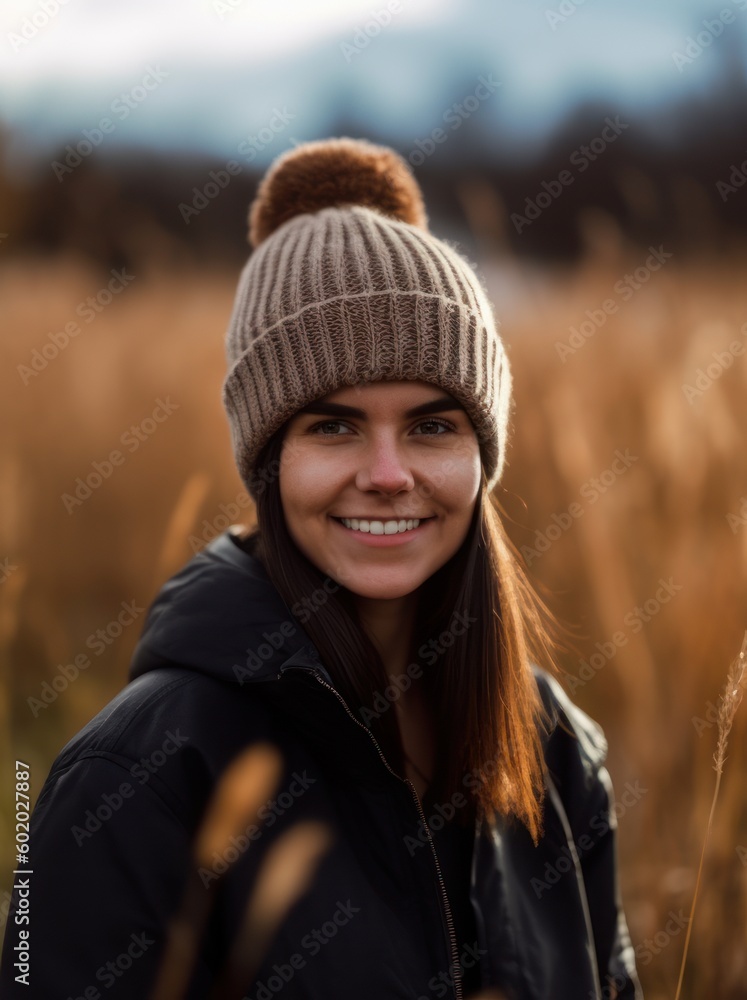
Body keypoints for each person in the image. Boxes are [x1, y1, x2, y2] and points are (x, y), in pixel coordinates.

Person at [0, 137, 642, 999]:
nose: (386, 474)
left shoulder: (558, 754)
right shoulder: (135, 781)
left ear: (482, 456)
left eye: (432, 425)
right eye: (332, 427)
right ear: (267, 462)